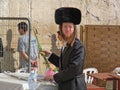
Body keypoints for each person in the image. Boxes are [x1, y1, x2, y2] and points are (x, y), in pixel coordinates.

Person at [43, 7, 86, 90]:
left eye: (70, 27)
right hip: (66, 86)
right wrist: (50, 55)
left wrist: (54, 77)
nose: (68, 29)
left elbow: (73, 69)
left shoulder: (78, 46)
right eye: (65, 26)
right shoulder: (67, 45)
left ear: (74, 29)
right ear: (61, 28)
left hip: (74, 86)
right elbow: (63, 64)